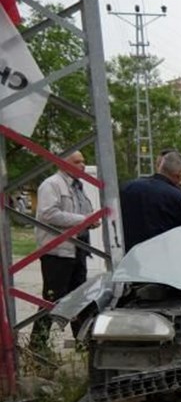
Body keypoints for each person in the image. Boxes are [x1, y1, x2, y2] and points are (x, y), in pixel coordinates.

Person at [32, 151, 100, 355]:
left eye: (83, 161)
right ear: (63, 163)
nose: (82, 165)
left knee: (78, 298)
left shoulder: (77, 186)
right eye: (77, 162)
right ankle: (38, 345)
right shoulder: (52, 184)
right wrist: (84, 220)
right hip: (58, 251)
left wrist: (90, 220)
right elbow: (48, 213)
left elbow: (83, 211)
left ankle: (83, 343)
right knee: (52, 298)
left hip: (77, 249)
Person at [119, 150, 181, 251]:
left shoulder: (127, 188)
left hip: (128, 257)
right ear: (179, 175)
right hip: (162, 257)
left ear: (160, 167)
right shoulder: (178, 198)